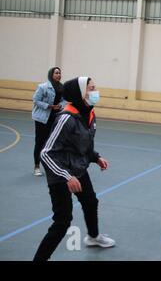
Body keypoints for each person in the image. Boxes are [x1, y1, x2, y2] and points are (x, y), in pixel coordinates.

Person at [33, 77, 115, 261]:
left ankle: (93, 237)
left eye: (95, 88)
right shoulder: (65, 118)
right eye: (91, 89)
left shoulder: (89, 113)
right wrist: (66, 176)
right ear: (79, 93)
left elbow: (82, 144)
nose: (95, 92)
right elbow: (46, 153)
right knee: (62, 222)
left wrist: (96, 157)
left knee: (90, 202)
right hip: (60, 174)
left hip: (78, 169)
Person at [32, 67, 65, 176]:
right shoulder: (43, 87)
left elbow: (64, 100)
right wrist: (49, 106)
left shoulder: (62, 87)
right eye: (56, 73)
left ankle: (49, 166)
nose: (58, 74)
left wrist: (61, 105)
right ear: (51, 74)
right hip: (42, 119)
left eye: (59, 73)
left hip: (55, 118)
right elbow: (36, 100)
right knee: (40, 142)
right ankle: (37, 166)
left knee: (50, 143)